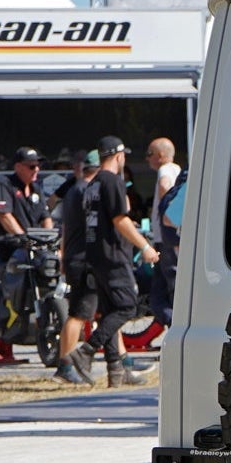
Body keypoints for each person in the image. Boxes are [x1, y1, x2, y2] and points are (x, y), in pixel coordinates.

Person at [62, 138, 157, 387]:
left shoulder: (91, 185)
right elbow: (120, 219)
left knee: (110, 311)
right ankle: (85, 351)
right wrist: (145, 246)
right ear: (118, 157)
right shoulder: (112, 180)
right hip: (113, 255)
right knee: (127, 308)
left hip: (94, 256)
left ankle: (116, 370)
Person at [53, 149, 98, 384]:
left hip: (72, 256)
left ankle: (121, 360)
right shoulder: (87, 192)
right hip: (82, 258)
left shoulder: (73, 190)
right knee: (78, 315)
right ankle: (66, 365)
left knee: (82, 312)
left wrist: (63, 255)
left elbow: (65, 229)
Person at [145, 137, 180, 331]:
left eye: (149, 154)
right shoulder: (179, 170)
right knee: (158, 293)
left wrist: (168, 215)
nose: (147, 159)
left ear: (160, 155)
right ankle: (173, 324)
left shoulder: (165, 170)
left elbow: (165, 186)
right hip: (168, 239)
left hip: (166, 240)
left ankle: (176, 325)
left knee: (168, 288)